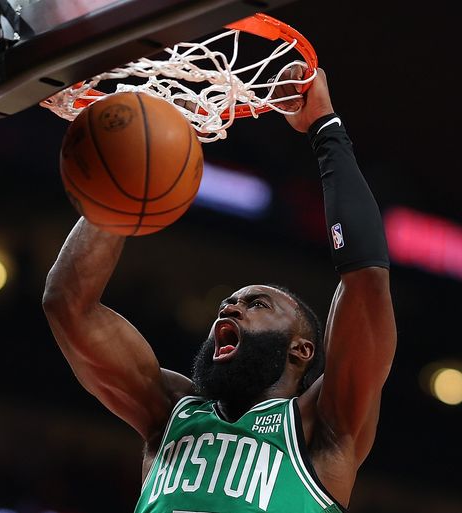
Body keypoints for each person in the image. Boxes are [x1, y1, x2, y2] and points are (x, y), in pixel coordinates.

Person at [42, 67, 396, 513]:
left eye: (257, 303)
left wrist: (325, 128)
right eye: (230, 301)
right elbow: (68, 305)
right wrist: (123, 187)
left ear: (301, 350)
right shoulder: (171, 411)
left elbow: (366, 281)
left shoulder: (322, 429)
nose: (231, 306)